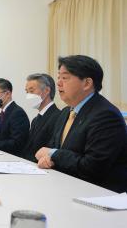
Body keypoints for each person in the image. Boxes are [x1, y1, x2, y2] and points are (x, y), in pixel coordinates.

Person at [35, 55, 127, 192]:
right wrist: (48, 158)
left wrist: (53, 154)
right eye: (58, 77)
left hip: (97, 195)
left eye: (65, 78)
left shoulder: (106, 115)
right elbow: (53, 150)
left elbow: (92, 167)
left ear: (87, 83)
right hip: (65, 187)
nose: (58, 83)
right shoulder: (66, 112)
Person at [21, 73, 60, 162]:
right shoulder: (35, 120)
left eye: (31, 91)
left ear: (46, 91)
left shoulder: (58, 117)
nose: (28, 96)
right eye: (27, 92)